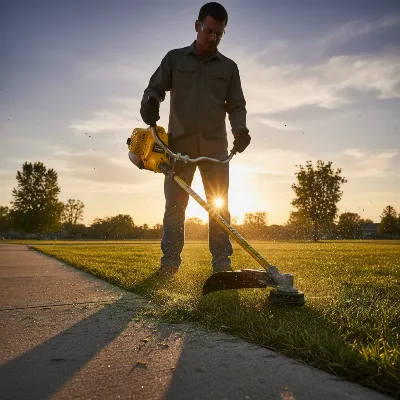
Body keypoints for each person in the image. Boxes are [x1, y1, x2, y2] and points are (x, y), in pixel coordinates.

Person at [140, 2, 251, 274]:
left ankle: (222, 265)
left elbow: (236, 105)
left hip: (216, 151)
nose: (213, 38)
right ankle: (169, 264)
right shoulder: (175, 59)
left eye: (219, 34)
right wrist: (150, 101)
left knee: (219, 209)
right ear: (197, 26)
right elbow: (154, 88)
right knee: (175, 209)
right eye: (209, 31)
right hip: (179, 148)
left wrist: (241, 130)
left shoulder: (229, 68)